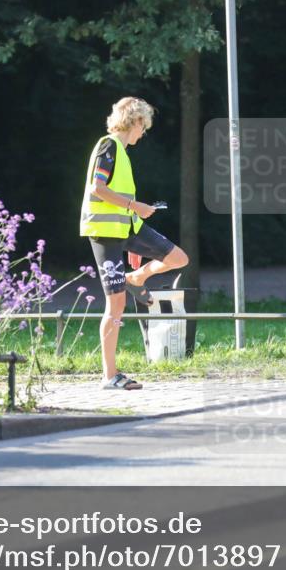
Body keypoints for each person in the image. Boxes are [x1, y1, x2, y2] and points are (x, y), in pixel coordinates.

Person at [80, 97, 189, 390]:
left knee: (178, 258)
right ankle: (110, 376)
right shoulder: (109, 146)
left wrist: (134, 234)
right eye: (144, 126)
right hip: (105, 233)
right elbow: (98, 189)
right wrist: (136, 205)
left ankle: (137, 277)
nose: (144, 132)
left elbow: (117, 201)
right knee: (116, 303)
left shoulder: (122, 152)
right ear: (136, 121)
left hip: (126, 229)